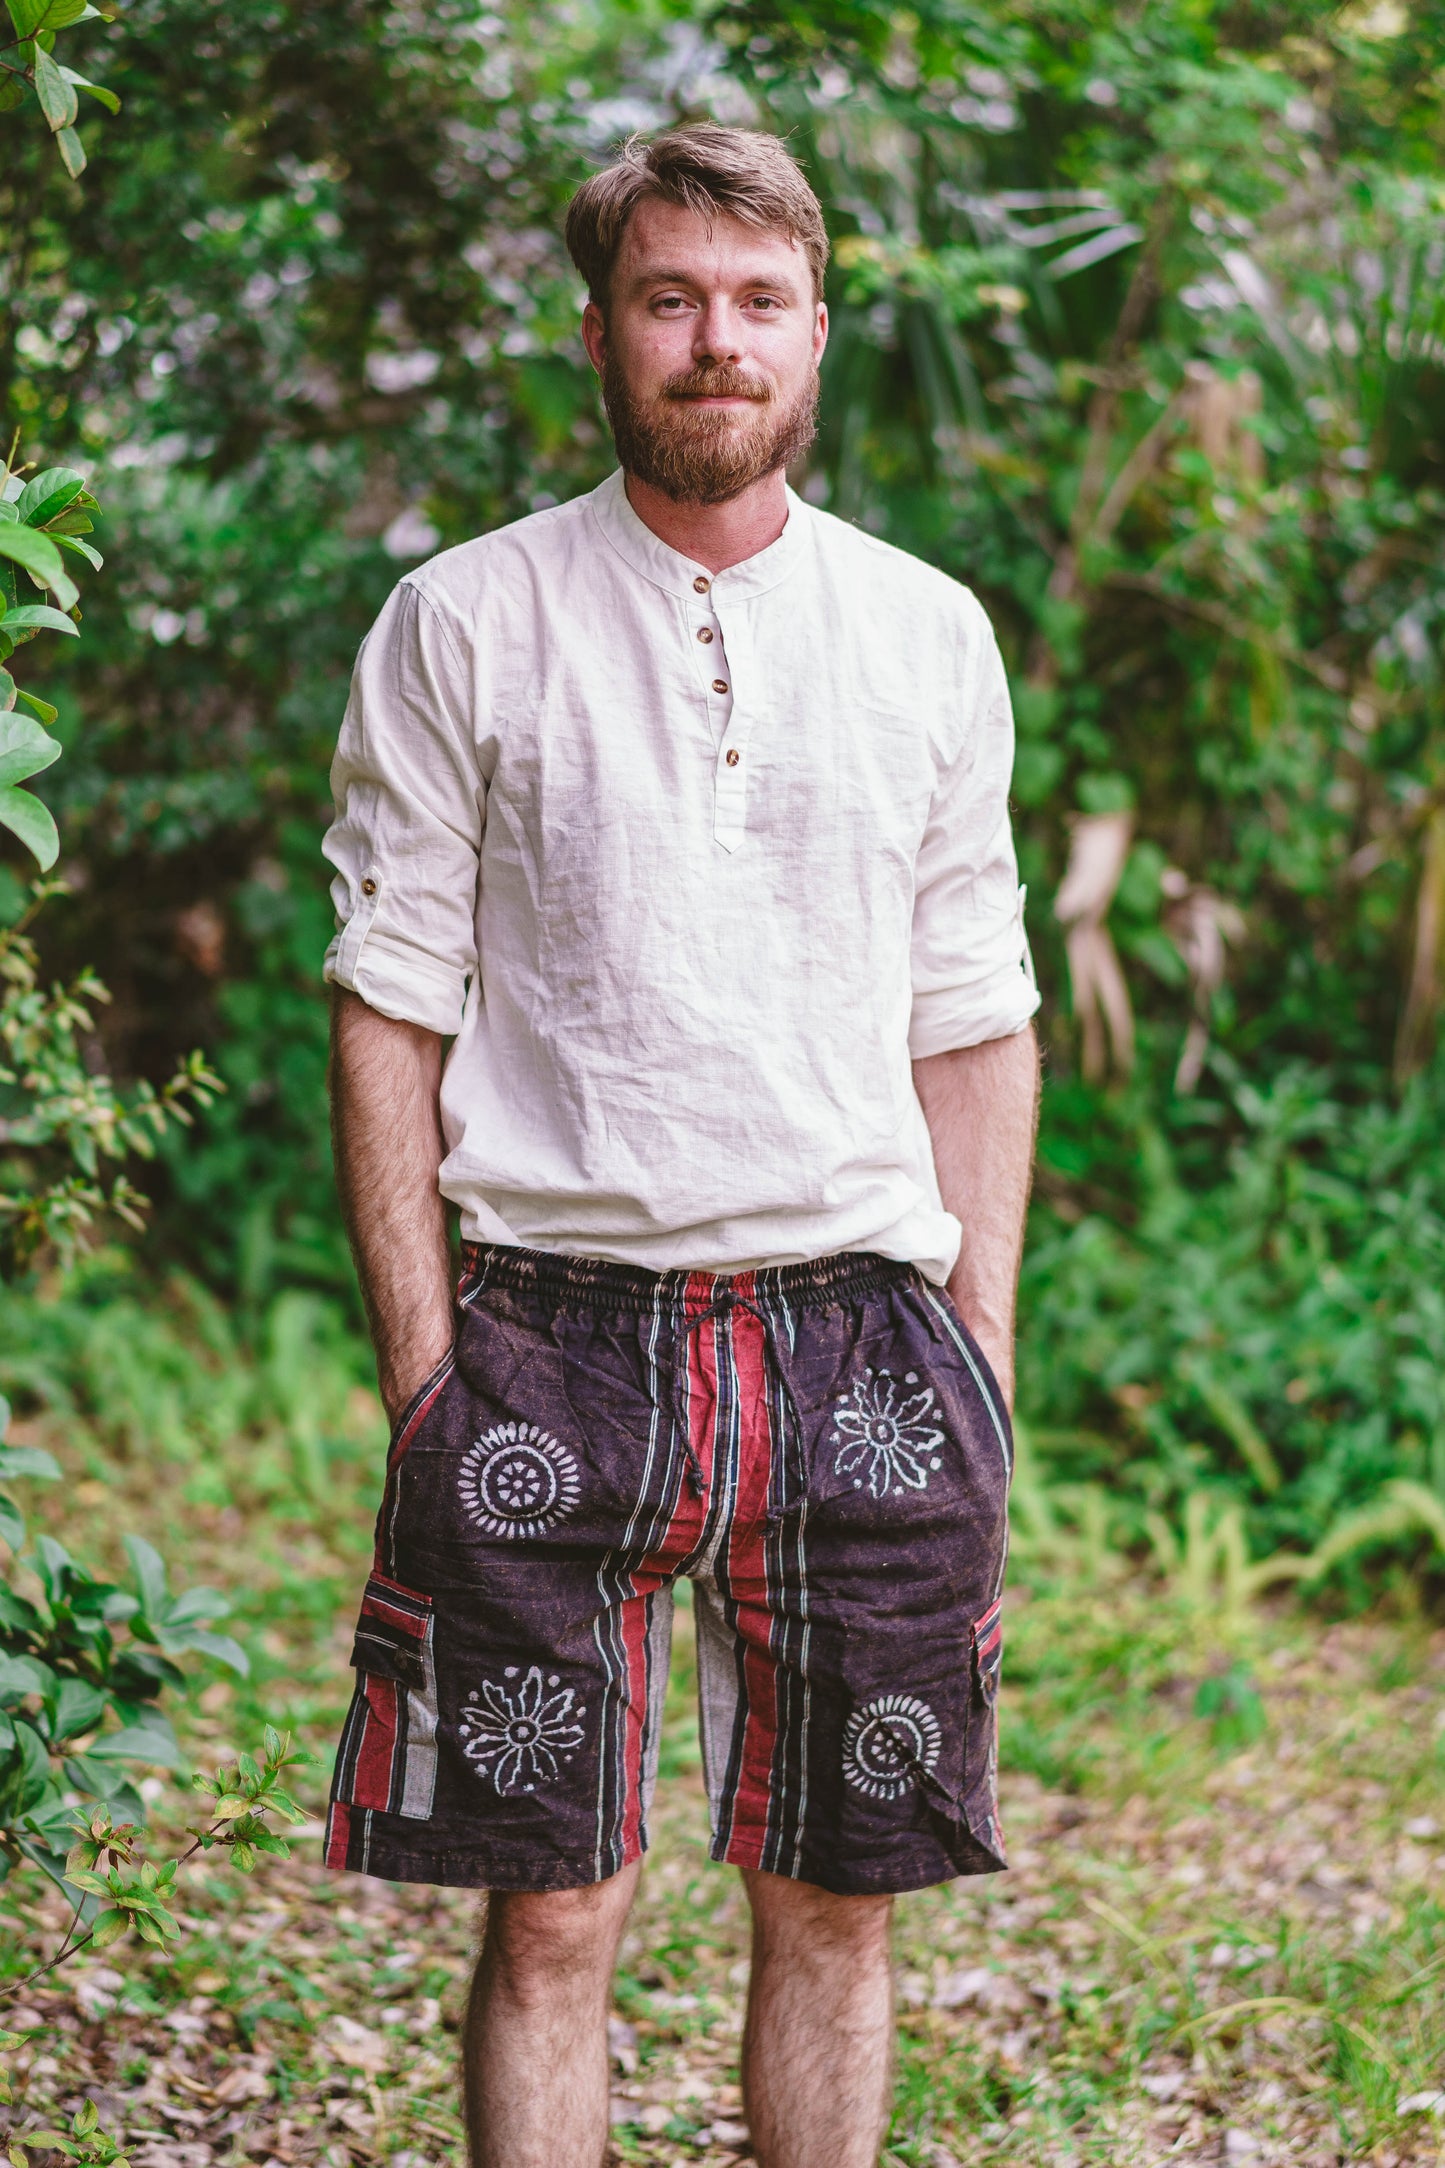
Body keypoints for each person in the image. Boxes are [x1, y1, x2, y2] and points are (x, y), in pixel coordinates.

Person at [321, 122, 1040, 2168]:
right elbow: (391, 996)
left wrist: (976, 1343)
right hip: (548, 1331)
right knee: (553, 1901)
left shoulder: (928, 635)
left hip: (865, 1349)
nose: (713, 343)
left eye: (755, 301)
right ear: (603, 328)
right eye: (669, 298)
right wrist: (423, 1363)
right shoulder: (467, 620)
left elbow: (974, 1009)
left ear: (818, 332)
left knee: (834, 1894)